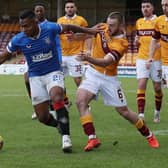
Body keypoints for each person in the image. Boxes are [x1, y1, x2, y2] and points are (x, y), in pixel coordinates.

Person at [0, 9, 100, 153]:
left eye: (26, 26)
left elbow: (69, 27)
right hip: (35, 77)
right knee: (43, 117)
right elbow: (4, 56)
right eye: (21, 26)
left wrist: (89, 31)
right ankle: (59, 125)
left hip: (53, 72)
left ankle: (66, 137)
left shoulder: (50, 28)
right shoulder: (18, 39)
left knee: (57, 96)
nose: (24, 29)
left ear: (35, 22)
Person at [75, 12, 159, 152]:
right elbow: (88, 33)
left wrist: (88, 58)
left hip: (109, 78)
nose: (109, 28)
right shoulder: (103, 27)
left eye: (113, 25)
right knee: (80, 100)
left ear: (121, 25)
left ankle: (148, 135)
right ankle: (92, 138)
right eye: (108, 24)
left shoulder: (122, 43)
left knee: (124, 111)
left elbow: (105, 62)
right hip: (92, 74)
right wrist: (74, 36)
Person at [134, 0, 163, 123]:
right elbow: (138, 38)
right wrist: (136, 41)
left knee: (157, 87)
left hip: (156, 59)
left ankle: (157, 112)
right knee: (141, 84)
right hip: (141, 58)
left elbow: (162, 41)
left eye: (147, 6)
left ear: (152, 8)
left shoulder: (158, 21)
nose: (144, 9)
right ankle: (141, 115)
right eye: (143, 7)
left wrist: (153, 51)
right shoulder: (139, 22)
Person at [57, 0, 88, 87]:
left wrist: (76, 35)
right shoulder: (60, 20)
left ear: (75, 8)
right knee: (59, 79)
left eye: (71, 7)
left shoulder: (81, 20)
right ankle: (64, 100)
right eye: (67, 7)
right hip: (62, 54)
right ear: (65, 9)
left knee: (78, 79)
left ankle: (82, 98)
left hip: (75, 54)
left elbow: (86, 34)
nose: (69, 9)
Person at [148, 0, 168, 89]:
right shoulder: (159, 20)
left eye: (167, 5)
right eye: (163, 5)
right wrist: (150, 57)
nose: (164, 8)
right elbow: (154, 40)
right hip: (165, 64)